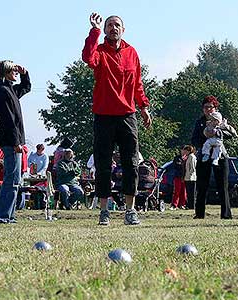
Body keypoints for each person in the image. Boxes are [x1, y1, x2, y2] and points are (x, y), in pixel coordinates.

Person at [82, 13, 152, 225]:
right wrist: (93, 32)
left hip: (127, 115)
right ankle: (104, 211)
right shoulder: (100, 51)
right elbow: (87, 58)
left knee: (131, 164)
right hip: (103, 115)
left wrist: (144, 107)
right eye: (109, 25)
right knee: (103, 164)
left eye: (117, 25)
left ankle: (130, 210)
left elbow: (137, 82)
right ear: (105, 30)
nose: (113, 28)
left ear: (123, 29)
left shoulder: (132, 52)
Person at [0, 60, 31, 224]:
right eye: (13, 70)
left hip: (14, 140)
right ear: (6, 72)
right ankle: (2, 216)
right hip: (11, 141)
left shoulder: (11, 90)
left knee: (15, 180)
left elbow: (26, 87)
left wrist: (25, 73)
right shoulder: (2, 92)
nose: (16, 72)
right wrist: (16, 142)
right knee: (11, 180)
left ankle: (8, 215)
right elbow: (8, 120)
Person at [191, 96, 236, 219]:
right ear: (203, 109)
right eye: (205, 107)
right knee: (201, 186)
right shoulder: (199, 122)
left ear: (215, 108)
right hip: (204, 156)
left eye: (210, 107)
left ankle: (226, 215)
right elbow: (194, 139)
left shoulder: (221, 121)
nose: (208, 110)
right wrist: (205, 139)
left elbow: (230, 134)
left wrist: (217, 133)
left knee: (223, 186)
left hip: (220, 156)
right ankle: (199, 214)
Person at [184, 145, 197, 209]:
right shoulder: (188, 157)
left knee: (192, 193)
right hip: (187, 177)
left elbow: (193, 168)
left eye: (186, 151)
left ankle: (192, 206)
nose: (184, 152)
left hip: (191, 178)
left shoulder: (192, 157)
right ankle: (189, 205)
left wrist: (189, 174)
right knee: (189, 193)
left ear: (189, 151)